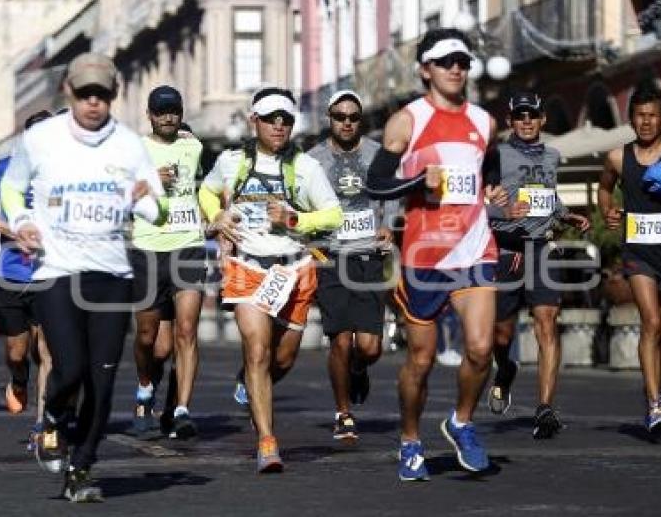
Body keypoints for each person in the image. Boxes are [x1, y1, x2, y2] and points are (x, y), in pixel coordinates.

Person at [0, 52, 164, 502]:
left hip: (111, 274)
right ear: (69, 93)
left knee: (104, 379)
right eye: (86, 94)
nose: (94, 103)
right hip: (57, 270)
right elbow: (11, 187)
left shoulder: (129, 145)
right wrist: (22, 221)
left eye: (103, 95)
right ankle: (53, 417)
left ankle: (82, 468)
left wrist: (142, 199)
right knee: (68, 367)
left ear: (113, 96)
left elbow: (156, 204)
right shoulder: (41, 139)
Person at [366, 28, 508, 480]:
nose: (456, 69)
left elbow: (489, 168)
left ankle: (461, 422)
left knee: (482, 349)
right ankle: (410, 439)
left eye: (463, 62)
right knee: (421, 361)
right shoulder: (407, 121)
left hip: (475, 248)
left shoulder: (484, 122)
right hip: (425, 257)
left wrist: (493, 191)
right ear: (425, 69)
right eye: (446, 62)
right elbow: (376, 182)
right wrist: (415, 183)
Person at [198, 86, 342, 473]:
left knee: (282, 357)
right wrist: (218, 216)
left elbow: (333, 215)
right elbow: (207, 192)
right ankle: (267, 441)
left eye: (286, 120)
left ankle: (250, 381)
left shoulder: (306, 167)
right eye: (271, 119)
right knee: (258, 349)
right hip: (247, 266)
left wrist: (295, 220)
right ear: (254, 122)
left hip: (294, 267)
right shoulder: (231, 162)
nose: (279, 126)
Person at [597, 83, 661, 434]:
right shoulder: (617, 156)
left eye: (652, 116)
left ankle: (656, 389)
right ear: (631, 120)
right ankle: (655, 403)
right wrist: (608, 210)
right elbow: (604, 188)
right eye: (640, 116)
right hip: (637, 252)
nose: (645, 122)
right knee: (651, 323)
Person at [486, 91, 590, 439]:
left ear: (543, 120)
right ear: (511, 121)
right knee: (500, 335)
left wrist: (566, 214)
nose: (527, 121)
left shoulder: (552, 155)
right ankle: (505, 369)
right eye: (520, 115)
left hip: (542, 250)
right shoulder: (497, 156)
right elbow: (475, 203)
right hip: (507, 252)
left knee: (547, 323)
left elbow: (546, 193)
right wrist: (502, 211)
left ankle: (545, 408)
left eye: (533, 115)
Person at [306, 89, 397, 442]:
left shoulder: (377, 155)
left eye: (353, 117)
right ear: (330, 119)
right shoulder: (313, 160)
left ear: (361, 120)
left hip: (369, 257)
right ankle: (343, 412)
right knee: (341, 341)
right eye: (340, 117)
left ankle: (359, 369)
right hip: (330, 258)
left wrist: (390, 222)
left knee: (370, 347)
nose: (346, 122)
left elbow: (391, 192)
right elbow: (301, 201)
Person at [129, 85, 206, 440]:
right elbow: (123, 196)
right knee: (150, 340)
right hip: (147, 249)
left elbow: (204, 188)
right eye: (161, 112)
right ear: (150, 115)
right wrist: (150, 181)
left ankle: (182, 410)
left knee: (186, 332)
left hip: (188, 245)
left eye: (173, 111)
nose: (168, 117)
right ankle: (145, 387)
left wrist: (216, 219)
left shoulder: (194, 146)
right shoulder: (136, 150)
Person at [0, 109, 54, 442]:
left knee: (47, 351)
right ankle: (18, 380)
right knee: (18, 353)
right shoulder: (7, 167)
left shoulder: (63, 169)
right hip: (12, 273)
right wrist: (5, 228)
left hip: (50, 272)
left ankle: (42, 422)